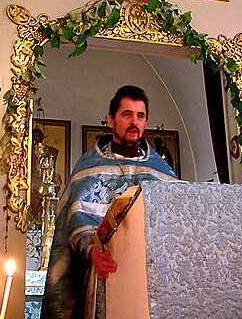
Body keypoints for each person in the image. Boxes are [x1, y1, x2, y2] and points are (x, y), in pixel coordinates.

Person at [41, 85, 178, 318]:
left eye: (140, 116)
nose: (134, 121)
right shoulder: (89, 167)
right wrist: (91, 251)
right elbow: (75, 220)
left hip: (146, 282)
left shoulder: (161, 171)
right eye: (127, 114)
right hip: (101, 277)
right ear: (111, 120)